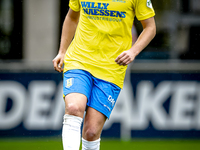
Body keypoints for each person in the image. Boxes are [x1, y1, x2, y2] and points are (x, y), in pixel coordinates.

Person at [53, 0, 156, 149]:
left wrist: (133, 51)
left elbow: (150, 27)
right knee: (74, 108)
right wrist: (62, 51)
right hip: (79, 60)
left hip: (112, 67)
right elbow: (72, 17)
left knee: (91, 132)